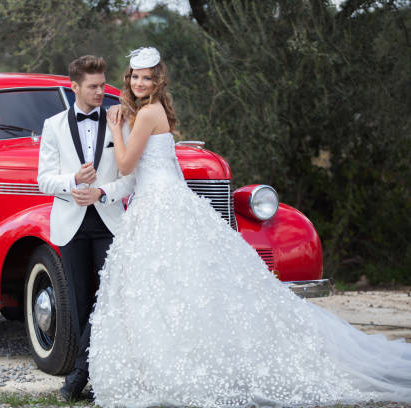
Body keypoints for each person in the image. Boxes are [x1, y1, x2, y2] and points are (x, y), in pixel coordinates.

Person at [88, 47, 411, 408]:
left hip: (159, 204)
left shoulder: (147, 113)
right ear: (128, 79)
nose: (139, 82)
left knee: (170, 285)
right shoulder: (149, 111)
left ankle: (177, 367)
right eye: (134, 76)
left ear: (158, 80)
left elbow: (128, 165)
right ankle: (164, 363)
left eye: (147, 77)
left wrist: (116, 127)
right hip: (159, 202)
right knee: (171, 288)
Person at [37, 55, 136, 402]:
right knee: (79, 301)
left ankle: (82, 374)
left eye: (102, 84)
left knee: (108, 299)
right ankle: (89, 371)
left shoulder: (117, 121)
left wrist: (101, 191)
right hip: (70, 223)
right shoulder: (53, 126)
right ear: (74, 87)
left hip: (109, 222)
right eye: (92, 86)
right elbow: (43, 181)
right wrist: (72, 181)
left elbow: (129, 179)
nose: (99, 91)